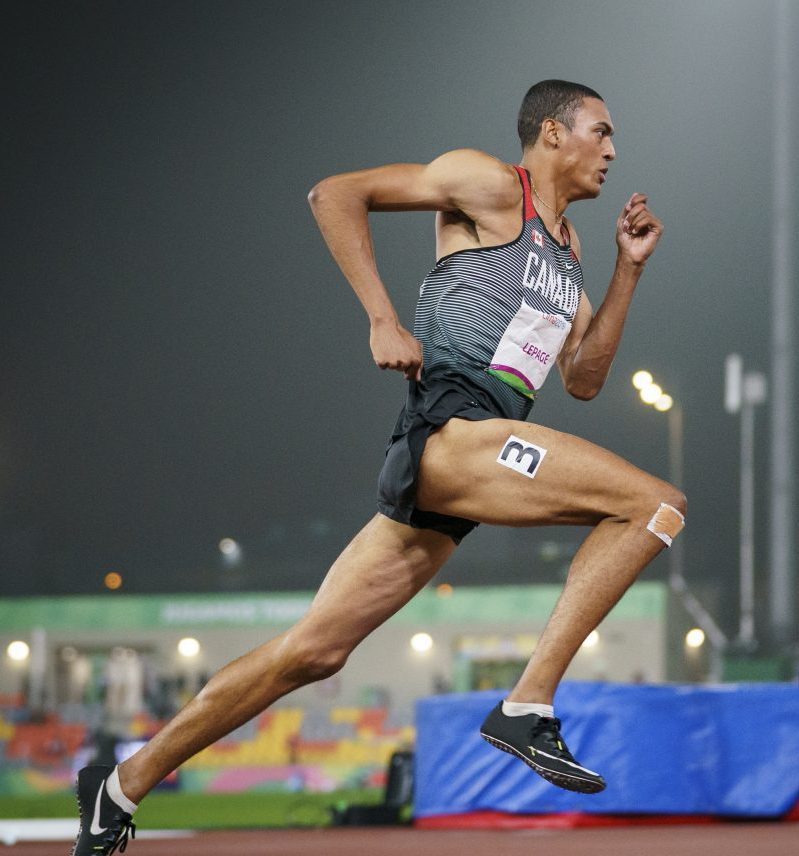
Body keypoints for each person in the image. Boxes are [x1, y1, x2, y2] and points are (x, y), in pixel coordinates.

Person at [71, 79, 685, 854]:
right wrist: (381, 317)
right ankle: (529, 703)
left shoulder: (569, 251)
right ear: (553, 134)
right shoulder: (492, 185)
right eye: (600, 131)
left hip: (473, 463)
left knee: (312, 652)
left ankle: (119, 787)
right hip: (451, 430)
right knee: (653, 504)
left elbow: (584, 379)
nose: (613, 149)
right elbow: (335, 194)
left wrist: (629, 269)